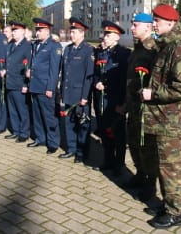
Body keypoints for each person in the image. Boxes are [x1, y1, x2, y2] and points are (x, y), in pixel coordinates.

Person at [141, 4, 181, 229]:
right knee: (165, 167)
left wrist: (152, 93)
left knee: (171, 168)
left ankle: (176, 212)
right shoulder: (167, 45)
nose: (154, 23)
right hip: (165, 119)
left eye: (158, 20)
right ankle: (168, 204)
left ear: (171, 23)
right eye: (155, 19)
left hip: (173, 122)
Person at [124, 13, 158, 201]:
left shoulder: (153, 50)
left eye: (135, 25)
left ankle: (150, 185)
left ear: (148, 27)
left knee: (147, 147)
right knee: (134, 144)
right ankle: (139, 175)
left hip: (146, 108)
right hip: (133, 105)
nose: (132, 28)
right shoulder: (137, 49)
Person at [93, 20, 130, 176]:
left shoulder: (123, 54)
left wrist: (122, 103)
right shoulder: (101, 52)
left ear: (117, 37)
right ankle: (108, 160)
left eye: (108, 35)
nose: (105, 37)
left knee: (117, 134)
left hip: (115, 101)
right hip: (101, 100)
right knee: (104, 131)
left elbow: (123, 81)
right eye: (105, 34)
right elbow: (96, 74)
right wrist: (97, 83)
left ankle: (118, 164)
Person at [58, 17, 94, 163]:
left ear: (82, 33)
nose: (71, 35)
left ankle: (81, 152)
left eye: (74, 32)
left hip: (80, 95)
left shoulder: (88, 50)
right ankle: (71, 149)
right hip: (68, 93)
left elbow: (89, 77)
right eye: (70, 32)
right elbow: (64, 72)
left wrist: (85, 97)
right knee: (69, 124)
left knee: (83, 125)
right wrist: (61, 91)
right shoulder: (67, 49)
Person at [27, 18, 62, 155]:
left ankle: (53, 142)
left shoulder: (54, 46)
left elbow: (54, 70)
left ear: (47, 31)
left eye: (40, 30)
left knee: (49, 117)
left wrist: (50, 88)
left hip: (45, 87)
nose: (37, 33)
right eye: (36, 30)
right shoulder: (36, 45)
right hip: (35, 85)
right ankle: (40, 138)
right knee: (37, 115)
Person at [0, 20, 32, 143]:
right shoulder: (10, 45)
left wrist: (26, 84)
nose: (13, 33)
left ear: (23, 31)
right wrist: (3, 70)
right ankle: (16, 131)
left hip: (20, 84)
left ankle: (24, 133)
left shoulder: (27, 46)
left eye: (16, 30)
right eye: (12, 30)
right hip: (10, 82)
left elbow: (29, 66)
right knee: (12, 109)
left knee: (22, 110)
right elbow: (7, 62)